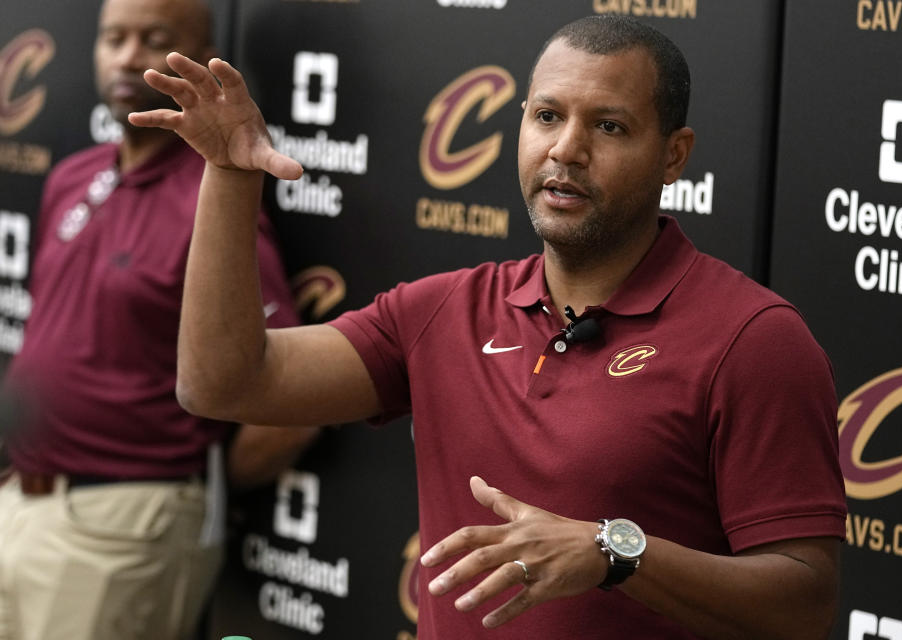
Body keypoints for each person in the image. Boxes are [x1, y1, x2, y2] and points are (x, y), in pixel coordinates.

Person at [131, 15, 847, 639]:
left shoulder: (753, 338)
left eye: (609, 126)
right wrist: (229, 175)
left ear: (674, 155)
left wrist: (613, 554)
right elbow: (221, 382)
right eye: (546, 116)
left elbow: (804, 605)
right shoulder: (445, 310)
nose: (566, 149)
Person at [0, 0, 308, 638]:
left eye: (154, 40)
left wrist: (178, 487)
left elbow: (289, 399)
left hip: (121, 532)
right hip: (20, 504)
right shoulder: (71, 176)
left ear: (199, 62)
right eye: (114, 37)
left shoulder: (214, 200)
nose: (126, 56)